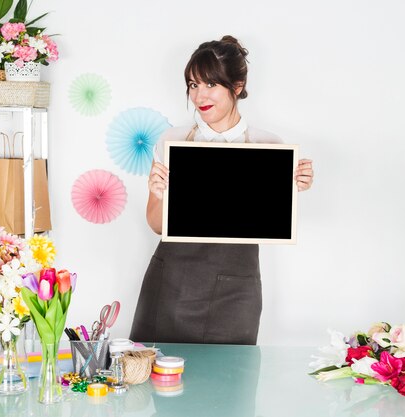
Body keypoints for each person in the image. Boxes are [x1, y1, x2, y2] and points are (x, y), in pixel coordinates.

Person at [129, 35, 314, 345]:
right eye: (193, 85)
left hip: (235, 289)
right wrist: (160, 193)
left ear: (237, 87)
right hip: (172, 282)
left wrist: (296, 185)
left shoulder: (267, 146)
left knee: (230, 387)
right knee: (161, 383)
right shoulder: (172, 141)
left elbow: (272, 221)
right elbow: (157, 225)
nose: (200, 95)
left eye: (210, 84)